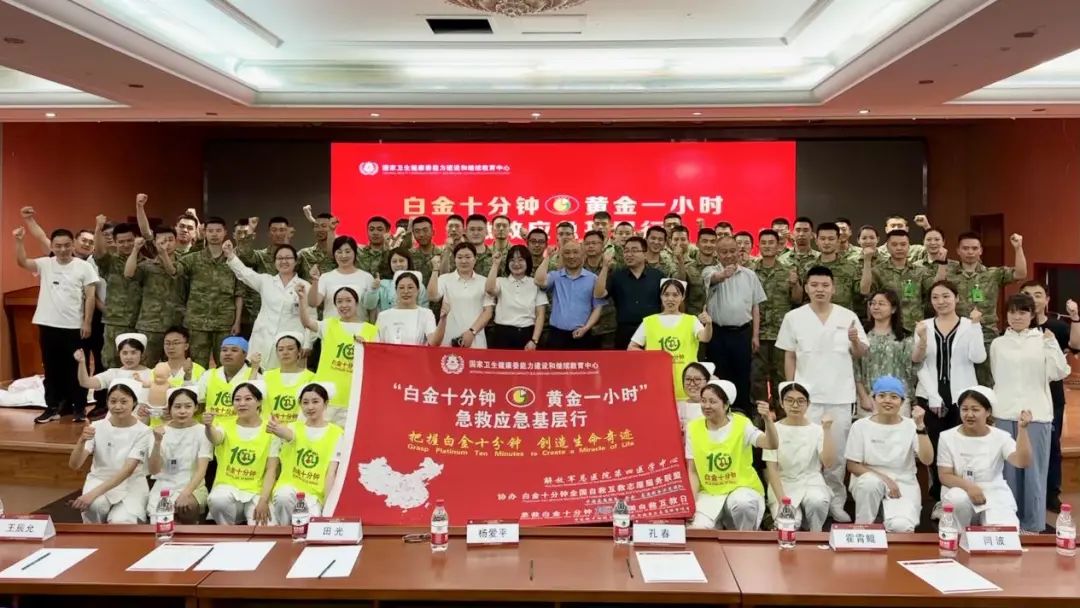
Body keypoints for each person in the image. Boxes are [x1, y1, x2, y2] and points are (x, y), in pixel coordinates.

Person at [776, 265, 869, 523]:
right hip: (805, 398)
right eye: (815, 285)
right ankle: (806, 500)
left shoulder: (847, 315)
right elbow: (790, 355)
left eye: (825, 285)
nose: (820, 290)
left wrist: (854, 340)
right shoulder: (794, 317)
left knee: (836, 455)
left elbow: (861, 352)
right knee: (805, 453)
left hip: (839, 396)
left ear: (833, 288)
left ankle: (835, 502)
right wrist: (790, 390)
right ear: (806, 288)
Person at [990, 293, 1070, 533]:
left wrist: (1051, 344)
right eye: (1012, 312)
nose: (1017, 317)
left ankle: (1033, 525)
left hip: (1036, 414)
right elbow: (996, 374)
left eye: (1023, 312)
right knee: (1008, 472)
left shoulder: (1043, 339)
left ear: (1032, 315)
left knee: (1034, 472)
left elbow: (1059, 372)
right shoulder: (998, 343)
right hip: (1004, 413)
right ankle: (1009, 522)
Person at [913, 280, 986, 517]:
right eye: (935, 297)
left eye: (946, 296)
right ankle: (939, 499)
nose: (941, 301)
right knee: (935, 449)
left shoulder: (968, 324)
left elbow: (978, 357)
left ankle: (959, 498)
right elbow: (919, 363)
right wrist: (933, 396)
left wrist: (976, 326)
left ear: (956, 298)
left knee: (960, 449)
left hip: (962, 399)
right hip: (930, 396)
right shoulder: (923, 326)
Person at [14, 226, 98, 424]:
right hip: (47, 324)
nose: (62, 249)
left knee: (76, 368)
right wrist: (19, 241)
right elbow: (22, 262)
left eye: (67, 245)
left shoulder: (84, 267)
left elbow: (90, 297)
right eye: (58, 246)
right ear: (52, 246)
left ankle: (79, 408)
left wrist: (87, 322)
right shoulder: (45, 264)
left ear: (73, 245)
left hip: (73, 326)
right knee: (51, 369)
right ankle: (52, 407)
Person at [686, 381, 778, 530]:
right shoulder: (693, 428)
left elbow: (771, 444)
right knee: (697, 529)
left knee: (743, 505)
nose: (706, 406)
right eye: (703, 401)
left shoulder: (742, 424)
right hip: (709, 493)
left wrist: (767, 420)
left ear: (726, 405)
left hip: (741, 488)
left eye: (712, 401)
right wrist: (690, 503)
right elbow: (693, 471)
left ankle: (746, 540)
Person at [846, 376, 933, 532]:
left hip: (903, 483)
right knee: (870, 483)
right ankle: (863, 529)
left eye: (894, 397)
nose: (887, 401)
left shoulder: (911, 425)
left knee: (901, 526)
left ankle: (886, 517)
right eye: (882, 396)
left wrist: (920, 426)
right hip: (869, 480)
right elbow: (852, 465)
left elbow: (927, 460)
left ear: (902, 401)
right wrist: (885, 480)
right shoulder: (860, 426)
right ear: (874, 399)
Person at [1021, 282, 1080, 512]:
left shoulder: (1057, 326)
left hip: (1051, 396)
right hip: (1022, 396)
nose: (1032, 299)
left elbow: (1075, 346)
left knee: (1051, 446)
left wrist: (1075, 318)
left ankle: (1051, 493)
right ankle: (1023, 491)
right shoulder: (1014, 326)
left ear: (1046, 300)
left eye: (1038, 295)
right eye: (1027, 294)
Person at [938, 386, 1032, 530]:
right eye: (964, 409)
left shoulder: (1001, 437)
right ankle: (958, 536)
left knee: (1005, 532)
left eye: (975, 410)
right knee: (958, 500)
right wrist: (969, 487)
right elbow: (944, 475)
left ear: (988, 411)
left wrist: (1023, 430)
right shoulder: (947, 437)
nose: (969, 414)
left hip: (993, 491)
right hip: (960, 489)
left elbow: (1022, 462)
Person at [945, 231, 1026, 384]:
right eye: (966, 248)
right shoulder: (948, 275)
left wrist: (1018, 248)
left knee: (988, 380)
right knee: (957, 378)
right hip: (956, 332)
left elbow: (1020, 273)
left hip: (986, 333)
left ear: (981, 250)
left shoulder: (992, 274)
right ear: (958, 251)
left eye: (974, 248)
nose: (970, 252)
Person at [68, 379, 152, 523]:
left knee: (122, 521)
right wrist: (81, 441)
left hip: (131, 484)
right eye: (113, 401)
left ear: (134, 403)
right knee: (96, 506)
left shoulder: (143, 432)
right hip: (99, 479)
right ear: (107, 402)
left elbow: (127, 471)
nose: (118, 406)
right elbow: (74, 465)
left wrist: (91, 494)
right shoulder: (96, 427)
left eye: (124, 402)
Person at [703, 235, 767, 416]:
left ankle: (743, 414)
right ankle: (721, 414)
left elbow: (755, 307)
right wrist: (724, 275)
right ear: (717, 253)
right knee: (720, 375)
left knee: (743, 375)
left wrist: (755, 335)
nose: (729, 255)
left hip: (743, 333)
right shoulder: (709, 271)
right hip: (718, 334)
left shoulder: (750, 275)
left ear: (739, 252)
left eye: (732, 251)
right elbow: (713, 278)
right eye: (724, 252)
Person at [298, 285, 376, 426]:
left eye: (348, 300)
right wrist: (302, 299)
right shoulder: (328, 325)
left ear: (356, 303)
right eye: (339, 302)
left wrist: (367, 347)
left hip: (353, 398)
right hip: (325, 397)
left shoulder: (371, 330)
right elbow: (307, 323)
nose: (344, 305)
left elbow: (378, 361)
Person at [224, 241, 310, 369]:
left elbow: (311, 318)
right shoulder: (266, 281)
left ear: (296, 261)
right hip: (262, 339)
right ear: (274, 262)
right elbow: (244, 273)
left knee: (284, 376)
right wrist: (230, 255)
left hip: (288, 344)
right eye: (279, 258)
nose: (284, 261)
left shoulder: (305, 286)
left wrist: (307, 343)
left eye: (288, 258)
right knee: (256, 375)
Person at [268, 382, 343, 525]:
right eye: (305, 402)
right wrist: (277, 428)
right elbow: (288, 435)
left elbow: (331, 473)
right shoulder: (293, 427)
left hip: (314, 496)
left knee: (309, 524)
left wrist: (328, 508)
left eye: (315, 401)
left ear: (325, 403)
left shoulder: (337, 433)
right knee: (283, 496)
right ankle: (285, 532)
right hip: (289, 489)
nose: (310, 407)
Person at [763, 381, 834, 532]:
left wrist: (827, 430)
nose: (795, 405)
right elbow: (772, 469)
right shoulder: (773, 429)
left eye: (801, 401)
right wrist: (782, 501)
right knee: (788, 525)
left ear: (808, 404)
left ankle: (816, 536)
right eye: (789, 400)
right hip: (783, 483)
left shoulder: (817, 430)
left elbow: (828, 463)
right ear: (781, 403)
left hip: (811, 482)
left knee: (817, 502)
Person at [205, 381, 277, 525]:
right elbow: (216, 438)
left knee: (265, 527)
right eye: (237, 399)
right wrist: (208, 426)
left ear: (259, 402)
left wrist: (263, 500)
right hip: (228, 488)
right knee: (218, 500)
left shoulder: (271, 430)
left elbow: (271, 469)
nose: (242, 403)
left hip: (257, 492)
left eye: (248, 399)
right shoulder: (225, 425)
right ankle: (227, 532)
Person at [629, 279, 712, 400]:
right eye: (666, 294)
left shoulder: (691, 320)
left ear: (683, 297)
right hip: (656, 382)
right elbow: (631, 347)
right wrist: (652, 357)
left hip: (687, 384)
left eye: (675, 295)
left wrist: (708, 324)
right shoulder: (649, 321)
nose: (670, 299)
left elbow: (705, 337)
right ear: (661, 296)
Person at [176, 217, 241, 368]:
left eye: (218, 231)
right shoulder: (192, 259)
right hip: (197, 322)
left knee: (226, 365)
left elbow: (239, 293)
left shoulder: (233, 261)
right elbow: (173, 272)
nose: (214, 234)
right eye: (210, 231)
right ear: (204, 233)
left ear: (225, 232)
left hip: (225, 322)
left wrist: (237, 321)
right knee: (197, 366)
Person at [144, 386, 212, 523]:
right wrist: (157, 442)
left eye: (188, 406)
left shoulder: (203, 431)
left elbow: (201, 470)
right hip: (164, 486)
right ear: (169, 409)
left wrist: (185, 493)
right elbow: (153, 470)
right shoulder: (158, 431)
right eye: (177, 407)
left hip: (193, 487)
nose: (182, 411)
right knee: (161, 525)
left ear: (196, 407)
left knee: (187, 506)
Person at [750, 229, 802, 407]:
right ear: (758, 246)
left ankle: (783, 415)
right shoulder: (750, 271)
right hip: (758, 334)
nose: (767, 246)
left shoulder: (788, 270)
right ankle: (760, 417)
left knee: (781, 379)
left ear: (778, 245)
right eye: (763, 243)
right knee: (757, 379)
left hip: (782, 335)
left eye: (771, 242)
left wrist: (795, 284)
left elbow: (797, 299)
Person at [856, 289, 924, 418]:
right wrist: (863, 396)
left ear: (893, 309)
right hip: (870, 398)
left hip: (898, 398)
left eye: (881, 304)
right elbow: (856, 367)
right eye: (873, 303)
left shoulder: (904, 337)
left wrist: (923, 338)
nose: (876, 307)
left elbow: (913, 364)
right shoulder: (862, 335)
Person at [865, 230, 947, 332]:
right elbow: (867, 295)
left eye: (903, 244)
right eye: (894, 245)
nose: (899, 248)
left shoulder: (919, 271)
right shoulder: (877, 271)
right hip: (887, 328)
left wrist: (942, 263)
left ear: (909, 246)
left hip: (914, 328)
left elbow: (937, 288)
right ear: (887, 247)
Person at [125, 225, 183, 366]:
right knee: (146, 365)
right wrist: (135, 249)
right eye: (162, 241)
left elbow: (172, 271)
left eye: (170, 240)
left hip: (176, 324)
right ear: (155, 242)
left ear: (176, 241)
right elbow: (128, 274)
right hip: (150, 325)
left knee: (175, 367)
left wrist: (163, 254)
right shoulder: (147, 265)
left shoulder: (184, 262)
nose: (166, 244)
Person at [595, 236, 664, 349]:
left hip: (652, 330)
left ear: (645, 254)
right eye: (626, 251)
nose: (629, 254)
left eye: (634, 250)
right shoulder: (617, 276)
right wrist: (605, 267)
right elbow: (599, 294)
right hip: (624, 331)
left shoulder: (658, 276)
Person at [535, 240, 604, 350]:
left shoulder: (593, 279)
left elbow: (598, 307)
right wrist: (548, 257)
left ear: (583, 255)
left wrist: (586, 328)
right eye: (567, 253)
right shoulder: (555, 276)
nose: (571, 256)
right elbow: (539, 281)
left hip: (582, 334)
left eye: (575, 252)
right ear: (562, 256)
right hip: (556, 335)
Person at [93, 220, 143, 368]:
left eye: (129, 240)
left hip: (140, 322)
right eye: (121, 242)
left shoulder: (147, 263)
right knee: (112, 361)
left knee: (140, 362)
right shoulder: (110, 262)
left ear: (136, 239)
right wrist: (98, 228)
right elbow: (99, 252)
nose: (126, 244)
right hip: (115, 321)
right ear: (115, 242)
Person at [428, 242, 495, 348]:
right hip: (449, 337)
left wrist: (472, 332)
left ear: (475, 259)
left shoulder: (484, 281)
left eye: (468, 257)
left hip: (475, 338)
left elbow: (488, 312)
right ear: (454, 259)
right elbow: (433, 297)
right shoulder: (445, 279)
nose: (464, 261)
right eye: (459, 257)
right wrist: (435, 269)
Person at [485, 245, 548, 349]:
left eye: (520, 260)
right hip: (502, 334)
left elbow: (540, 315)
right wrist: (496, 264)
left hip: (527, 334)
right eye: (512, 260)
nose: (516, 264)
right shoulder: (501, 281)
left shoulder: (535, 283)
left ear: (527, 262)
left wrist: (534, 340)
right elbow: (489, 289)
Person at [308, 236, 376, 324]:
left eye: (348, 251)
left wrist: (373, 328)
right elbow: (313, 303)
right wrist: (315, 281)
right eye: (339, 252)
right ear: (334, 254)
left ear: (355, 253)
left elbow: (372, 309)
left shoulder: (367, 277)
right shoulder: (325, 277)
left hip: (359, 329)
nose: (344, 255)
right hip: (331, 329)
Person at [807, 222, 871, 311]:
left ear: (838, 241)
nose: (826, 242)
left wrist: (867, 261)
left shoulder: (851, 267)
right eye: (822, 239)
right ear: (816, 241)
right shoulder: (808, 267)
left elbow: (864, 291)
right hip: (815, 316)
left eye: (831, 239)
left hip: (843, 316)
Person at [75, 333, 151, 407]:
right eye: (124, 353)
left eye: (133, 353)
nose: (129, 357)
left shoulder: (151, 374)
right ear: (119, 354)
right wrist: (82, 362)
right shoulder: (113, 373)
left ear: (142, 354)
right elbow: (85, 382)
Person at [376, 272, 446, 345]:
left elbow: (434, 342)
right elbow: (374, 343)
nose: (406, 291)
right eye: (401, 288)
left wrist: (443, 320)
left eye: (410, 287)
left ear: (418, 290)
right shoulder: (383, 316)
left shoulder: (426, 314)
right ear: (396, 290)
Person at [196, 336, 258, 419]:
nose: (228, 353)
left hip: (240, 426)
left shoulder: (255, 376)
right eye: (224, 350)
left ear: (245, 354)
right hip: (211, 425)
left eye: (234, 350)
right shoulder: (209, 375)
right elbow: (198, 402)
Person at [262, 333, 316, 424]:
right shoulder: (266, 376)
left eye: (290, 349)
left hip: (299, 429)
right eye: (280, 349)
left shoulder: (311, 378)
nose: (285, 353)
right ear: (276, 353)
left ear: (299, 351)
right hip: (269, 428)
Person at [364, 247, 429, 316]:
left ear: (408, 262)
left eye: (401, 261)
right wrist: (373, 289)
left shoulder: (418, 285)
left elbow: (424, 308)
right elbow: (369, 306)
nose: (398, 264)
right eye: (394, 261)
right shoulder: (382, 284)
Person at [298, 210, 338, 280]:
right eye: (316, 226)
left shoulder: (341, 254)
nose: (319, 229)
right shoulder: (304, 254)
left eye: (324, 226)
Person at [677, 362, 714, 432]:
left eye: (697, 379)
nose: (692, 384)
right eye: (688, 379)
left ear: (708, 381)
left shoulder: (714, 407)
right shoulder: (677, 407)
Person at [408, 216, 441, 286]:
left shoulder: (442, 254)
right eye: (417, 231)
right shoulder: (408, 255)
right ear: (413, 234)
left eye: (425, 230)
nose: (421, 234)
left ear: (433, 232)